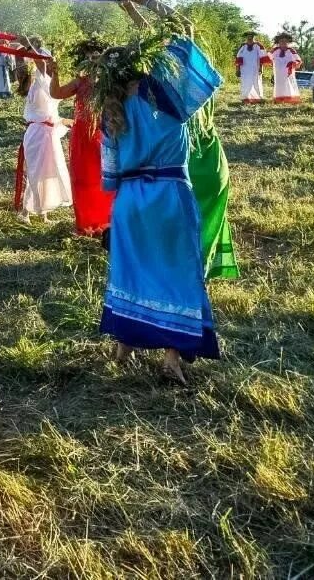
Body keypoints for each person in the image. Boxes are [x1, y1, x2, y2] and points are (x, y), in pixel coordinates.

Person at [97, 39, 221, 385]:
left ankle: (124, 346)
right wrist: (151, 11)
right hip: (168, 196)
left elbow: (109, 177)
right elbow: (191, 48)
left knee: (131, 272)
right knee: (178, 272)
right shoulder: (166, 97)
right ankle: (171, 356)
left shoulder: (111, 110)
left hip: (130, 201)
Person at [119, 0, 239, 281]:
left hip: (184, 164)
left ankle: (181, 273)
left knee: (180, 224)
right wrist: (137, 8)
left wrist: (144, 1)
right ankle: (195, 272)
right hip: (210, 160)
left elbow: (183, 31)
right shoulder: (194, 85)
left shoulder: (166, 92)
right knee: (201, 222)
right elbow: (179, 35)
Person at [48, 38, 113, 237]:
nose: (92, 60)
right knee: (82, 179)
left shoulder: (108, 82)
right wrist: (55, 73)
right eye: (88, 56)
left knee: (104, 178)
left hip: (103, 134)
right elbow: (57, 93)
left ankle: (107, 223)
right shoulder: (80, 81)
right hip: (82, 136)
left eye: (96, 56)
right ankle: (85, 224)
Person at [14, 40, 72, 222]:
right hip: (38, 134)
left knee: (48, 172)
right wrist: (30, 46)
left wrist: (67, 122)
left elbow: (52, 113)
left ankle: (42, 213)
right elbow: (39, 62)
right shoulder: (41, 79)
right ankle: (25, 212)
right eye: (48, 62)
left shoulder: (49, 81)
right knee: (37, 172)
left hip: (48, 134)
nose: (50, 65)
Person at [235, 32, 269, 104]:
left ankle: (258, 98)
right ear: (246, 38)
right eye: (248, 37)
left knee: (256, 82)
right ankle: (245, 98)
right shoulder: (243, 46)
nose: (250, 38)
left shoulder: (258, 46)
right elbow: (238, 58)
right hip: (244, 69)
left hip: (255, 68)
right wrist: (237, 69)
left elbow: (262, 57)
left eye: (251, 37)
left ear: (254, 37)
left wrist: (261, 68)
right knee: (245, 83)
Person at [270, 33, 303, 104]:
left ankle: (290, 98)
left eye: (285, 41)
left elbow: (298, 60)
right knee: (279, 84)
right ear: (278, 42)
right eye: (281, 41)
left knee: (288, 83)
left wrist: (293, 64)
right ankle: (279, 98)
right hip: (278, 71)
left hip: (288, 72)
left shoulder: (291, 50)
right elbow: (268, 57)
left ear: (288, 42)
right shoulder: (275, 50)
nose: (283, 43)